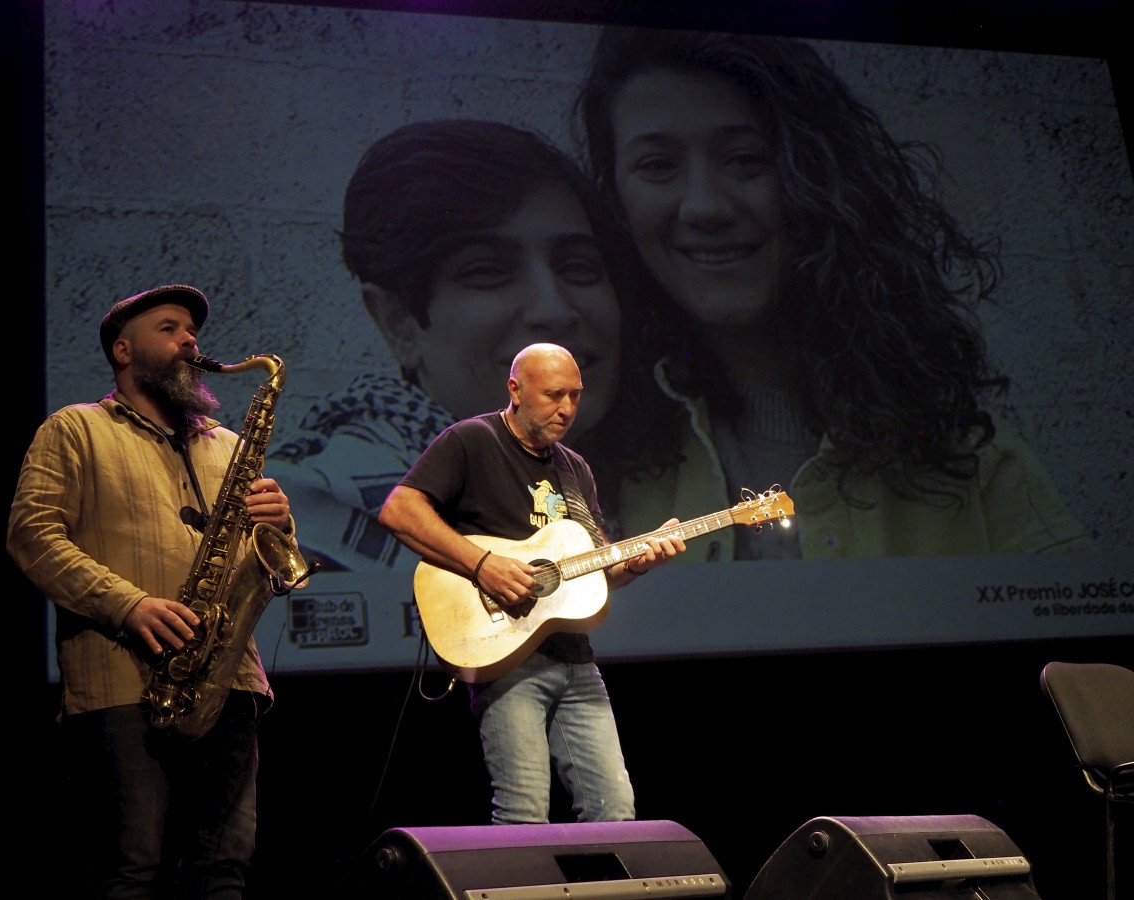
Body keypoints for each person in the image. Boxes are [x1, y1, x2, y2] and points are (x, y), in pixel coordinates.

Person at [574, 27, 1092, 558]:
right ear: (614, 198)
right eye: (658, 165)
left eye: (745, 159)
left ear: (817, 175)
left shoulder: (971, 462)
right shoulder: (582, 468)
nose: (706, 207)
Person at [266, 119, 669, 574]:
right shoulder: (318, 517)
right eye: (487, 271)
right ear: (398, 323)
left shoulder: (636, 478)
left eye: (578, 266)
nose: (554, 310)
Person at [7, 284, 298, 897]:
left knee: (224, 872)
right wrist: (127, 603)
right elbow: (31, 535)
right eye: (169, 328)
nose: (190, 340)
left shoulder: (230, 446)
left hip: (228, 684)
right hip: (122, 684)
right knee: (132, 869)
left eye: (192, 331)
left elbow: (270, 563)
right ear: (123, 349)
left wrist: (278, 525)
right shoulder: (75, 430)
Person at [376, 343, 685, 824]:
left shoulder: (574, 468)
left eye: (576, 396)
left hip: (576, 661)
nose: (567, 408)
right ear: (515, 390)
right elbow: (399, 510)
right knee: (523, 813)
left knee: (616, 810)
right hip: (504, 658)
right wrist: (483, 565)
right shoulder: (471, 440)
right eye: (554, 395)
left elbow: (599, 568)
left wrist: (641, 561)